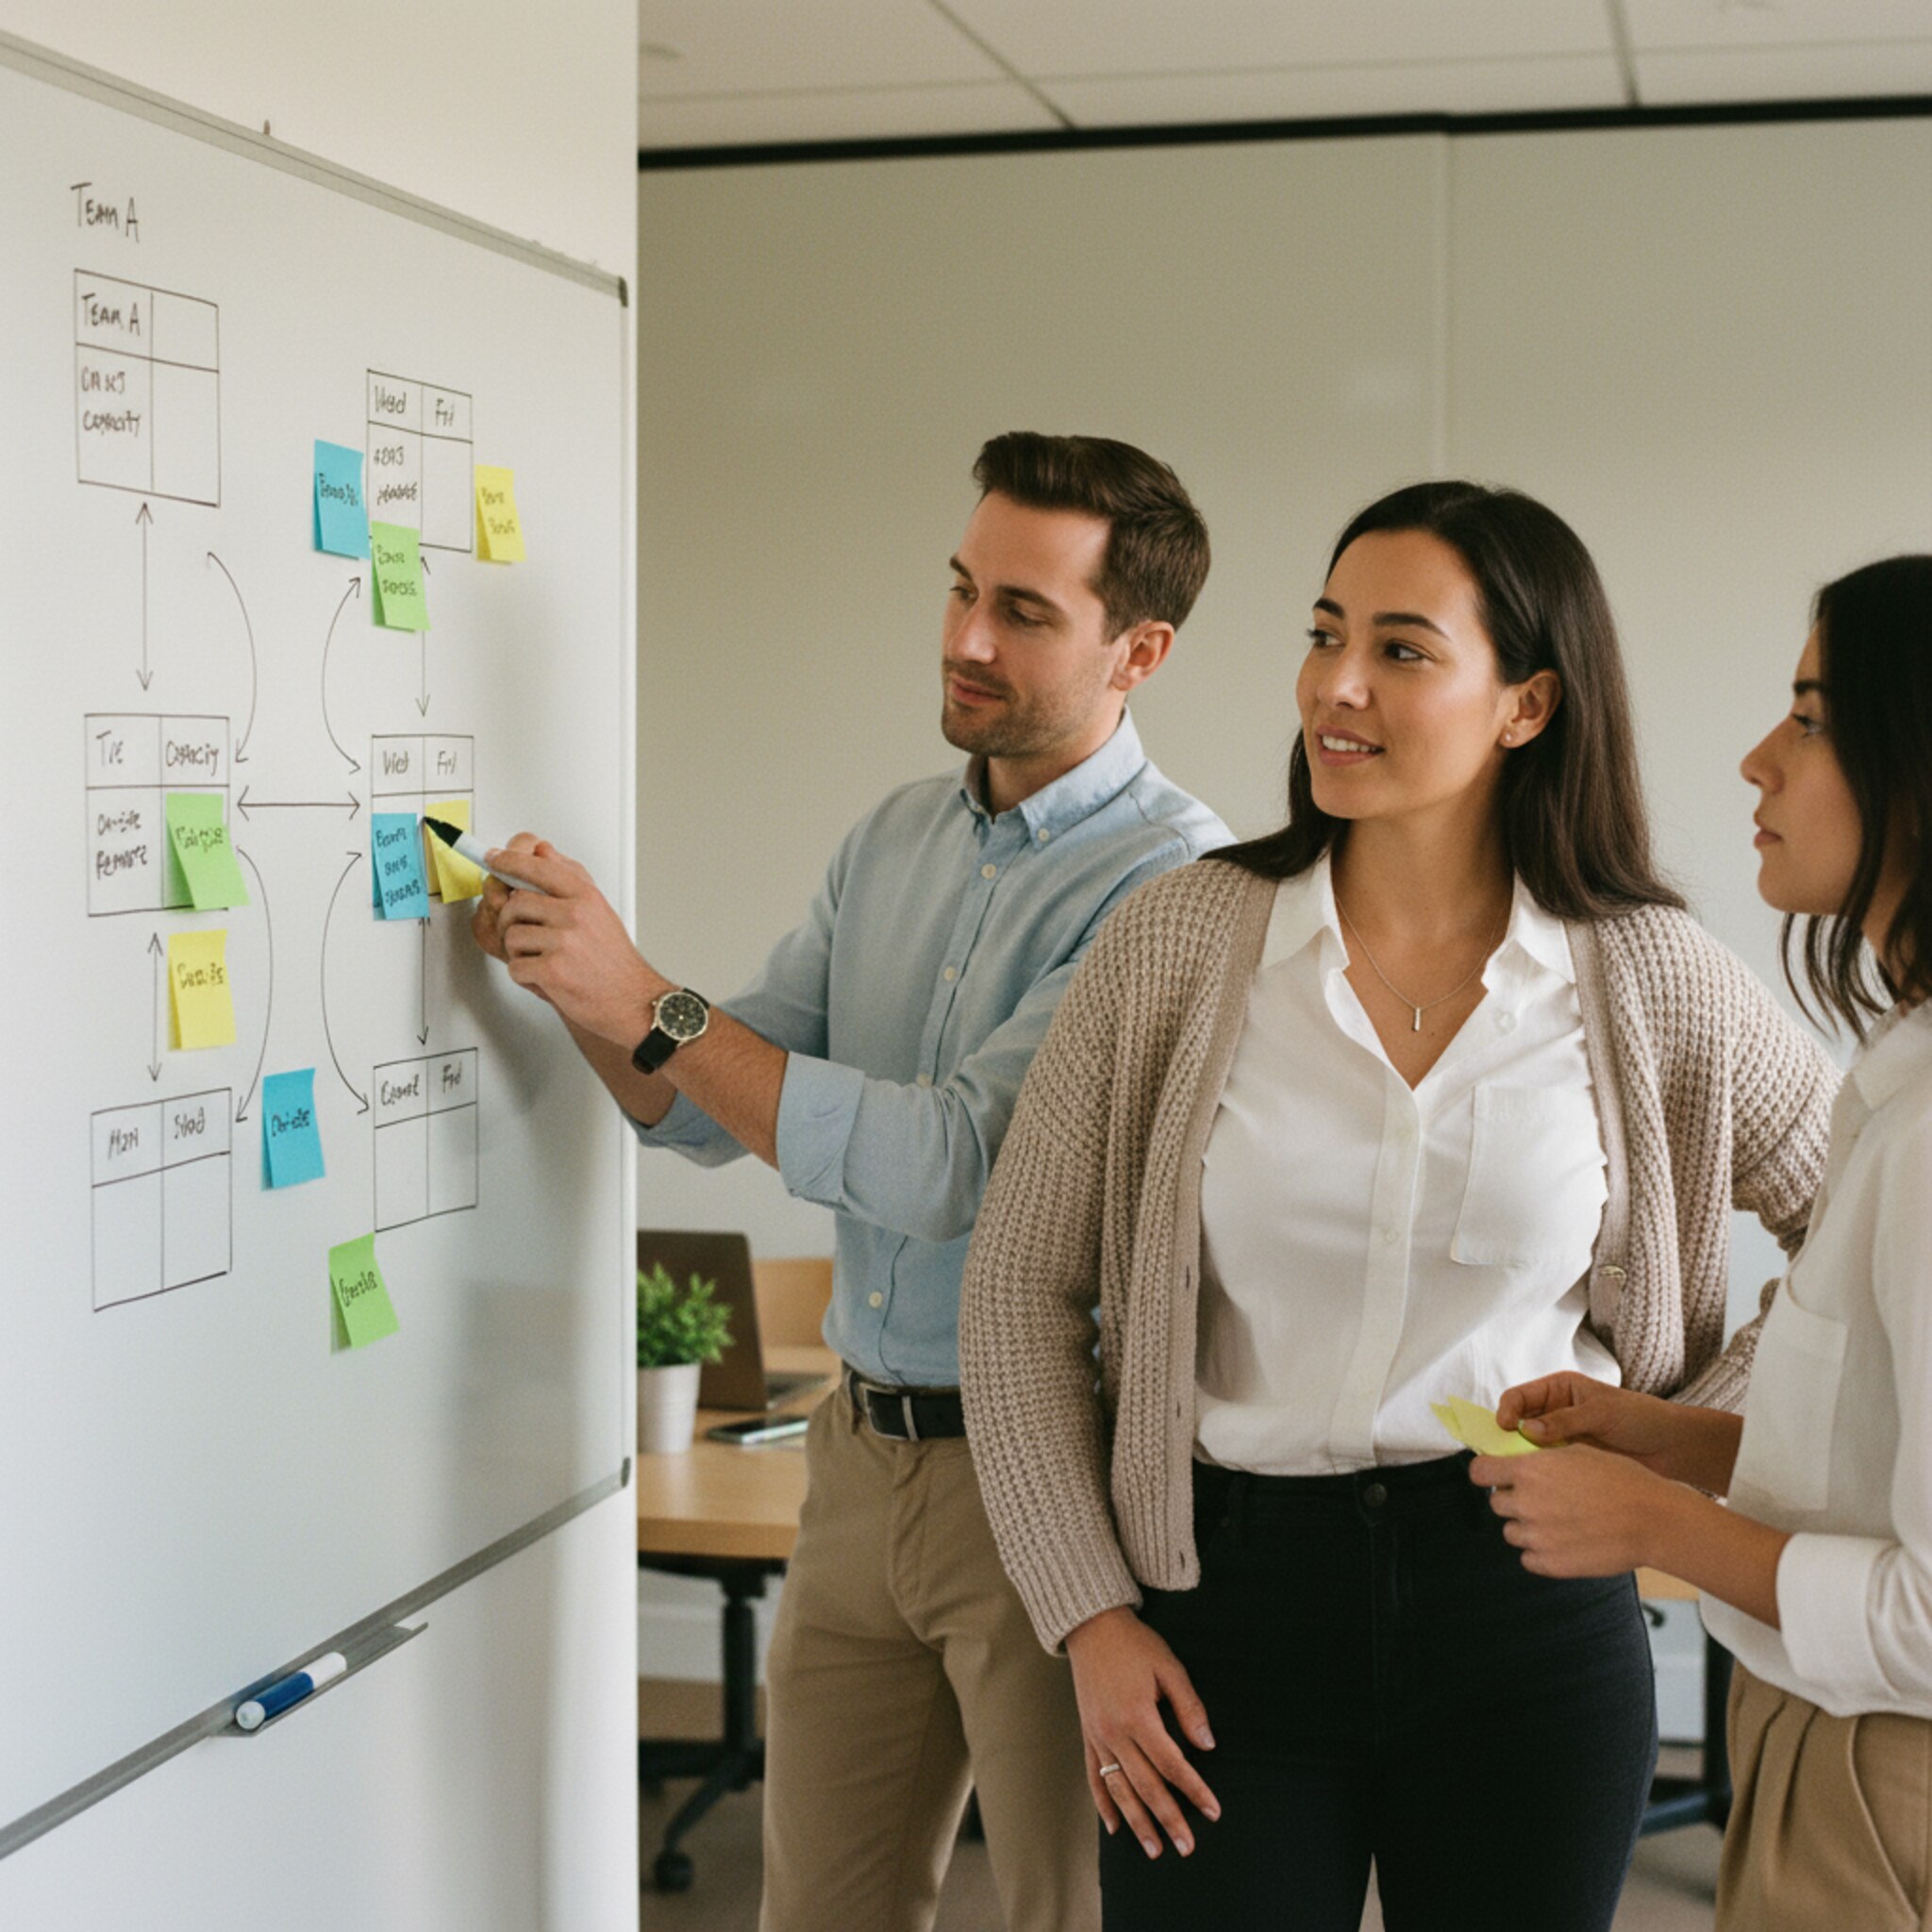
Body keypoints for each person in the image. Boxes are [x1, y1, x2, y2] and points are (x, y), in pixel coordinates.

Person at [958, 480, 1840, 1931]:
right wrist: (1090, 1618)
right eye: (1326, 635)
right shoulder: (1176, 941)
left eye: (1402, 649)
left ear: (1528, 705)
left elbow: (1858, 1243)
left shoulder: (1652, 974)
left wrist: (1681, 1444)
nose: (1338, 686)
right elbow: (1015, 1296)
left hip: (1527, 1617)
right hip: (1222, 1613)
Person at [466, 432, 1227, 1932]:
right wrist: (576, 980)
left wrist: (650, 999)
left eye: (1024, 611)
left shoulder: (1171, 883)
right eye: (961, 588)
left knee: (1067, 1916)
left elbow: (955, 1167)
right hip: (859, 1463)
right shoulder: (891, 839)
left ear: (1139, 651)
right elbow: (695, 1100)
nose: (966, 638)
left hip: (1046, 1487)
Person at [1469, 555, 1932, 1932]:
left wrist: (1661, 1525)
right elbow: (1880, 1457)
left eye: (1812, 718)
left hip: (1883, 1774)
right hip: (1818, 1741)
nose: (1756, 759)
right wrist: (1676, 1444)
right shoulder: (1893, 1082)